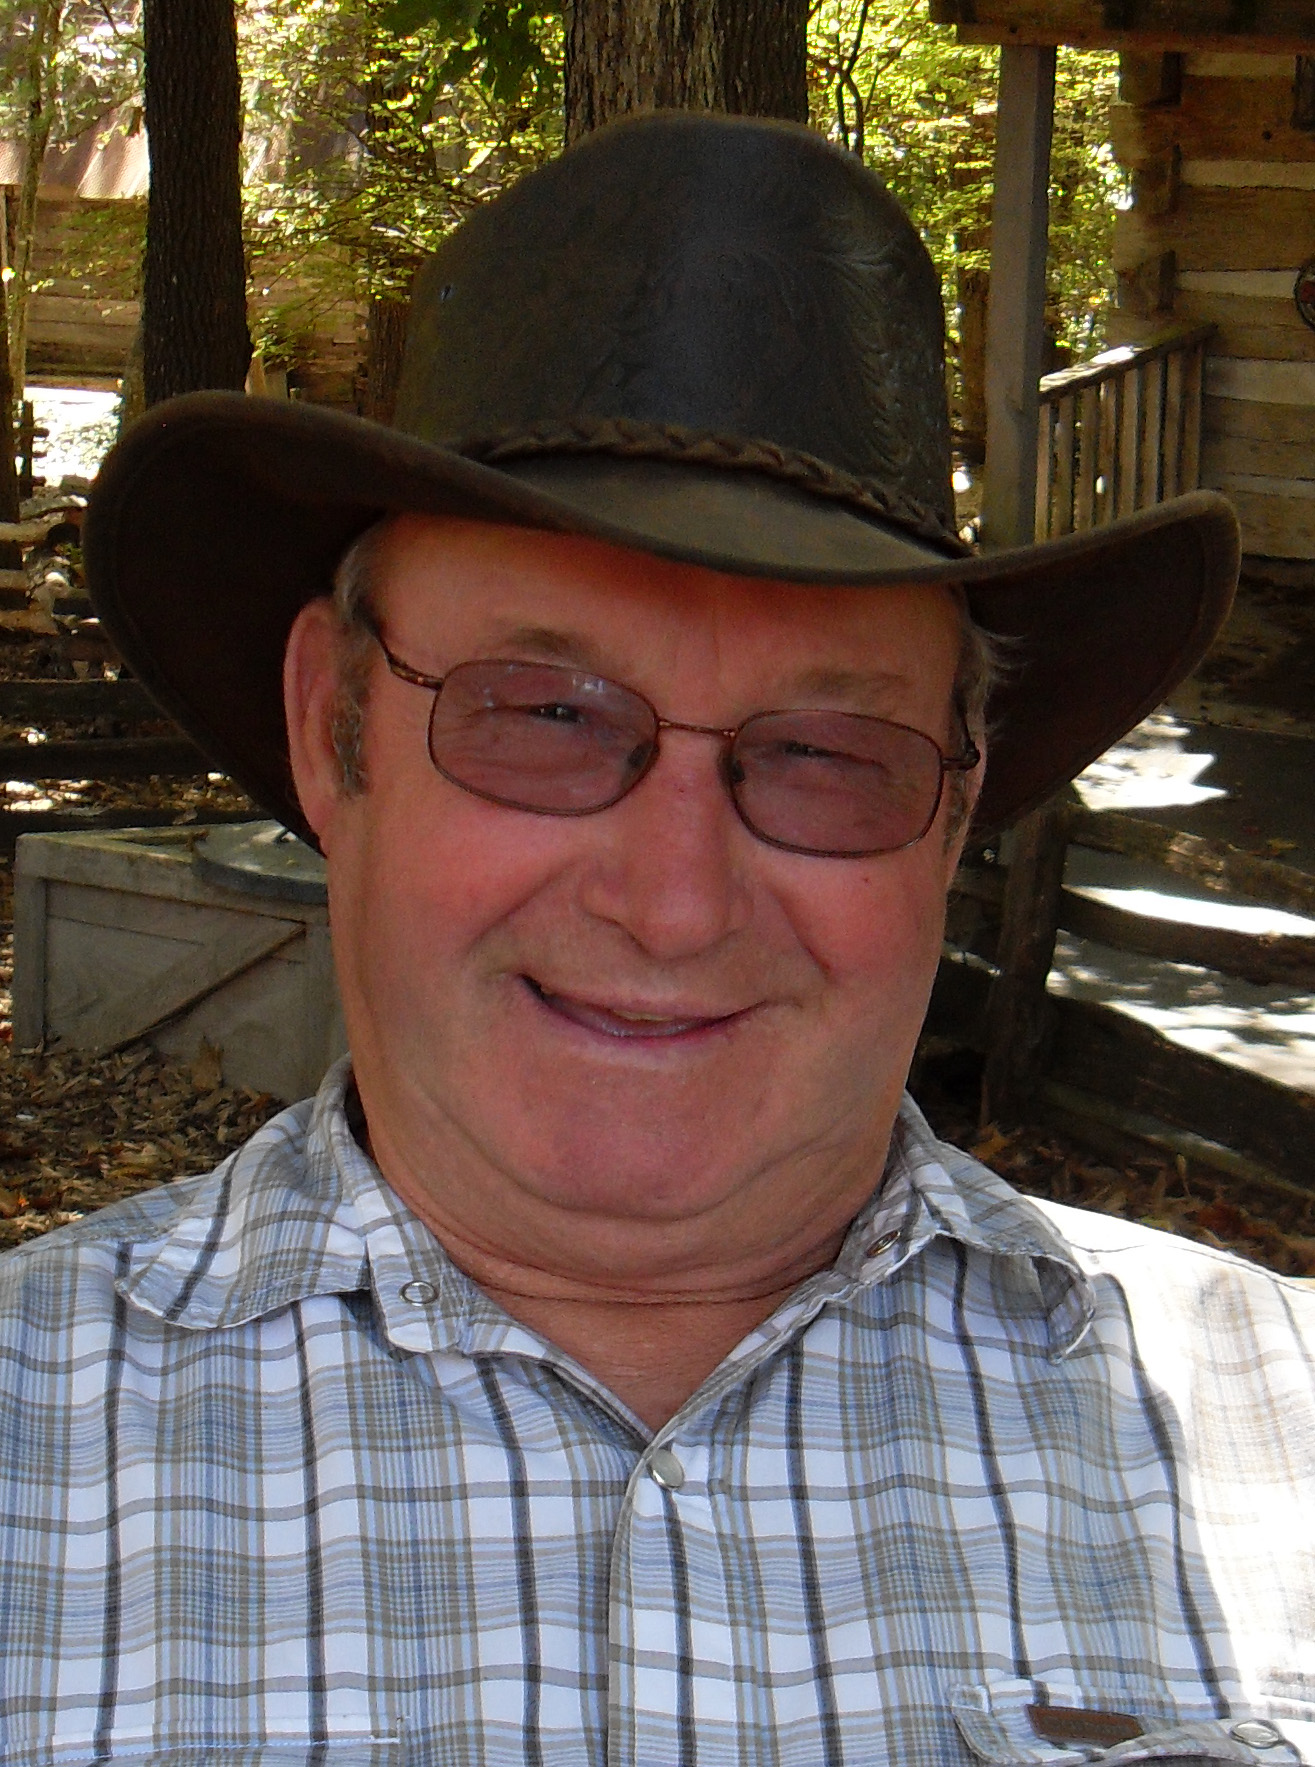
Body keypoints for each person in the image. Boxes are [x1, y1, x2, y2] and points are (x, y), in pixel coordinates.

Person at [1, 112, 1310, 1767]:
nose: (675, 902)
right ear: (335, 730)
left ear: (959, 803)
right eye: (545, 713)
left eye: (825, 752)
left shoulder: (1285, 1442)